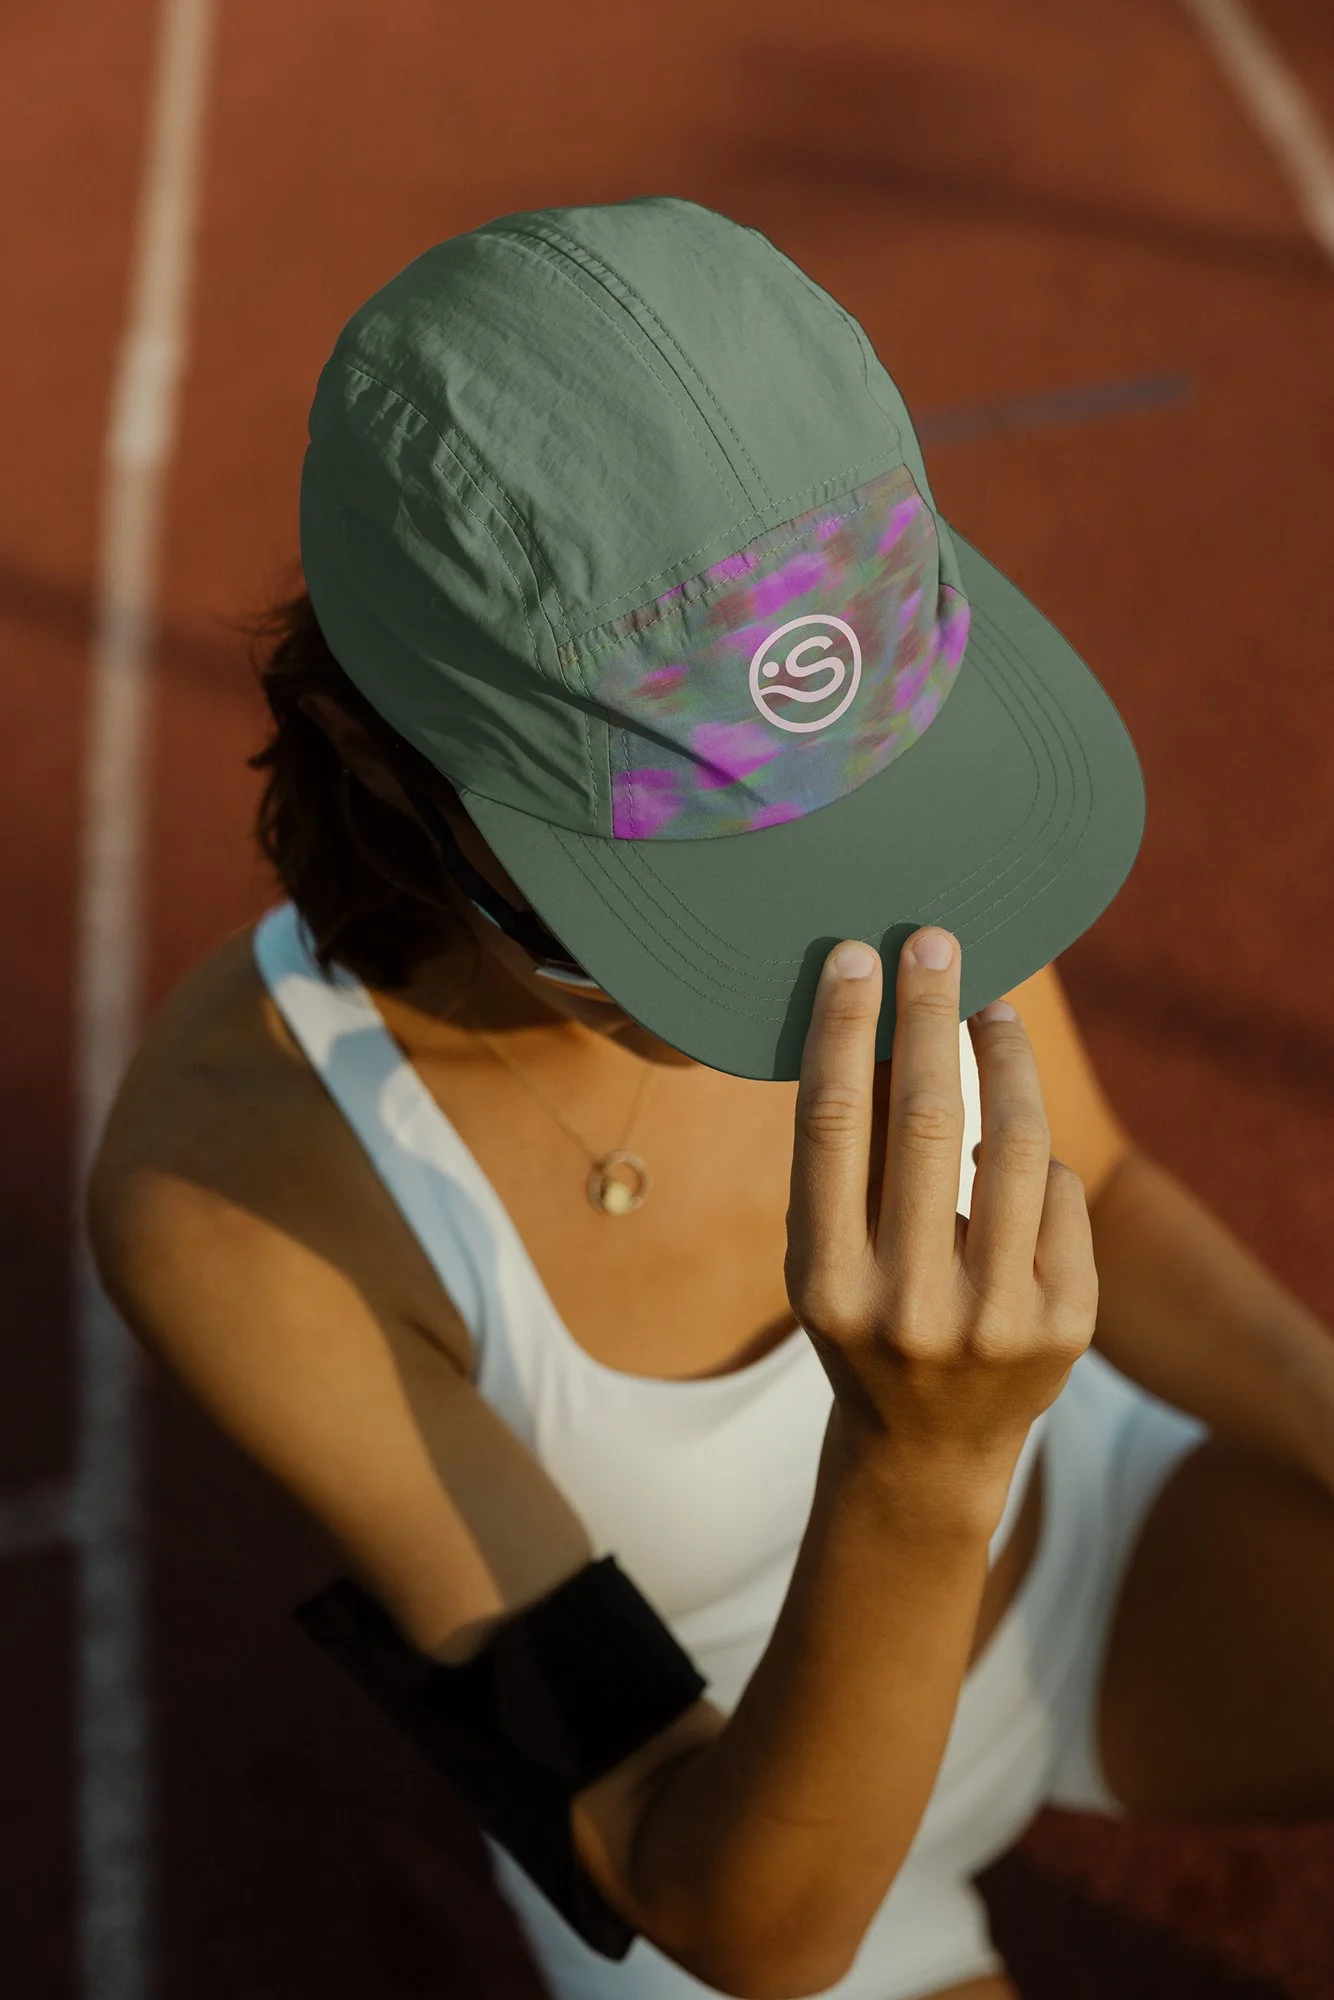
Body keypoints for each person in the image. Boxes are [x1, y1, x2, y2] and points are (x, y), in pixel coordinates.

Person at [85, 199, 1213, 2000]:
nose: (844, 942)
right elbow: (743, 1927)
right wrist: (925, 1465)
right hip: (757, 1812)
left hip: (1097, 1563)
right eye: (706, 897)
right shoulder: (231, 1184)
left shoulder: (886, 802)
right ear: (386, 759)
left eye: (869, 829)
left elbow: (1111, 1183)